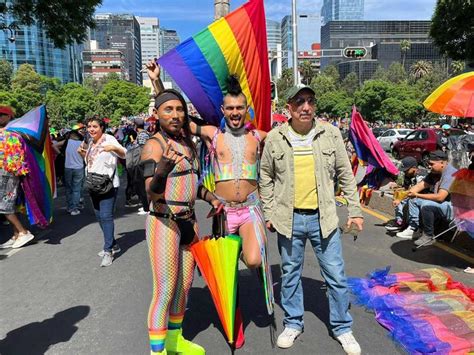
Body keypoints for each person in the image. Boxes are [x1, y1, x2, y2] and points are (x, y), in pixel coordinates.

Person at [146, 61, 274, 323]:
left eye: (240, 108)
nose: (236, 112)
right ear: (222, 110)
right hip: (224, 211)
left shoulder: (260, 136)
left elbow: (289, 139)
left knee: (252, 260)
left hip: (250, 209)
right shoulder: (212, 134)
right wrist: (157, 82)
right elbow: (174, 118)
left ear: (246, 109)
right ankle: (230, 313)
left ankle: (239, 248)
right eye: (230, 108)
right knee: (223, 273)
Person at [259, 86, 364, 354]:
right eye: (299, 102)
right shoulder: (274, 138)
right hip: (289, 219)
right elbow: (266, 178)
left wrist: (355, 211)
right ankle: (293, 323)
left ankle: (342, 327)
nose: (306, 107)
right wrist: (269, 213)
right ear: (289, 108)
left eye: (310, 102)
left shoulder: (330, 134)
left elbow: (345, 174)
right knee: (290, 275)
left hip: (324, 219)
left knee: (336, 276)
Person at [140, 89, 220, 355]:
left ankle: (175, 341)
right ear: (156, 114)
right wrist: (161, 169)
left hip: (189, 222)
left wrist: (210, 197)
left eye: (179, 109)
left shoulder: (187, 142)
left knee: (184, 287)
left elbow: (191, 185)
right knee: (164, 289)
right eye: (168, 110)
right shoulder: (154, 145)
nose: (175, 115)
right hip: (164, 222)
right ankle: (157, 351)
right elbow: (151, 193)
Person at [78, 116, 126, 267]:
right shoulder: (91, 142)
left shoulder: (109, 139)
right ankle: (113, 243)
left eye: (95, 126)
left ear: (102, 128)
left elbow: (124, 153)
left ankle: (108, 250)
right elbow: (90, 162)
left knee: (106, 216)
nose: (91, 129)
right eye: (89, 127)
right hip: (93, 184)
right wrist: (82, 153)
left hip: (107, 184)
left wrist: (114, 148)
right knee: (98, 216)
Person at [396, 150, 458, 245]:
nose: (429, 166)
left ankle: (429, 235)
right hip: (442, 204)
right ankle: (414, 228)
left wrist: (417, 195)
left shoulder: (450, 174)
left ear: (442, 163)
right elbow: (418, 187)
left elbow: (440, 197)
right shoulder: (435, 172)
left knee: (426, 204)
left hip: (455, 208)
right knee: (414, 200)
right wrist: (401, 197)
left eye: (431, 164)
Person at [0, 106, 35, 249]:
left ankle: (23, 232)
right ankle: (16, 235)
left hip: (7, 173)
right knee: (12, 205)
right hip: (4, 172)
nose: (0, 117)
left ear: (9, 117)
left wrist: (14, 172)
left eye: (2, 115)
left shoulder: (11, 133)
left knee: (4, 206)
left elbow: (16, 156)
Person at [385, 156, 427, 232]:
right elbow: (406, 189)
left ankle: (413, 226)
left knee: (405, 201)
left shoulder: (421, 175)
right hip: (412, 195)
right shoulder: (408, 175)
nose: (404, 172)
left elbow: (416, 191)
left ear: (414, 168)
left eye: (406, 170)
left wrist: (401, 199)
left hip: (423, 196)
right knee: (398, 197)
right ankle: (400, 221)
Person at [62, 125, 85, 215]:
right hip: (79, 168)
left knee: (68, 189)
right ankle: (74, 208)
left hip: (67, 167)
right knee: (76, 189)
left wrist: (61, 154)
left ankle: (69, 207)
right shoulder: (82, 143)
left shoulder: (67, 142)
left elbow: (54, 145)